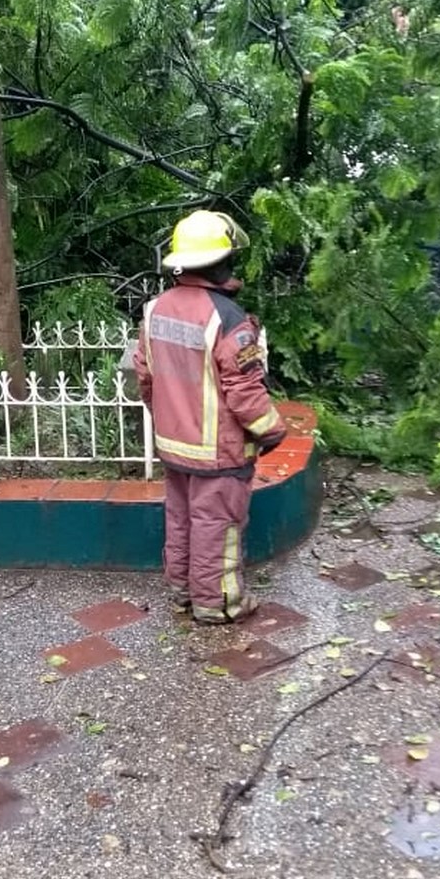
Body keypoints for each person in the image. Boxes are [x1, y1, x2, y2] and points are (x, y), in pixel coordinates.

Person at [133, 210, 286, 625]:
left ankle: (183, 591)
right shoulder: (228, 318)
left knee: (181, 520)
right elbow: (244, 391)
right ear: (221, 262)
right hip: (219, 451)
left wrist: (168, 417)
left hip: (174, 444)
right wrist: (271, 431)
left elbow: (145, 377)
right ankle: (218, 602)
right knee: (217, 527)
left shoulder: (155, 310)